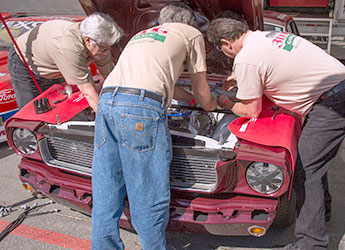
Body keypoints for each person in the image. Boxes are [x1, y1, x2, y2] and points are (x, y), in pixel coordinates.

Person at [207, 16, 345, 250]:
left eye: (221, 48)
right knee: (315, 162)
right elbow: (275, 66)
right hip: (336, 87)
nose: (224, 53)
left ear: (225, 42)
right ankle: (324, 211)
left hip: (331, 101)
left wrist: (225, 102)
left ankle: (311, 244)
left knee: (304, 170)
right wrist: (242, 78)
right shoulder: (262, 37)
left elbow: (251, 111)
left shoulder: (246, 59)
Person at [91, 3, 217, 250]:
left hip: (107, 102)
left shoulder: (142, 35)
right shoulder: (190, 34)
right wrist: (211, 105)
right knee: (147, 191)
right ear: (188, 22)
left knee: (107, 185)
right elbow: (202, 89)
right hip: (140, 108)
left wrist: (188, 99)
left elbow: (162, 80)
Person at [7, 12, 123, 111]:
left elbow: (110, 78)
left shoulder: (99, 43)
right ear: (87, 40)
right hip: (26, 64)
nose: (107, 52)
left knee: (61, 106)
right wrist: (110, 122)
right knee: (35, 114)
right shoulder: (68, 48)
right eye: (104, 48)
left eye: (109, 47)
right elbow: (88, 92)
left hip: (53, 59)